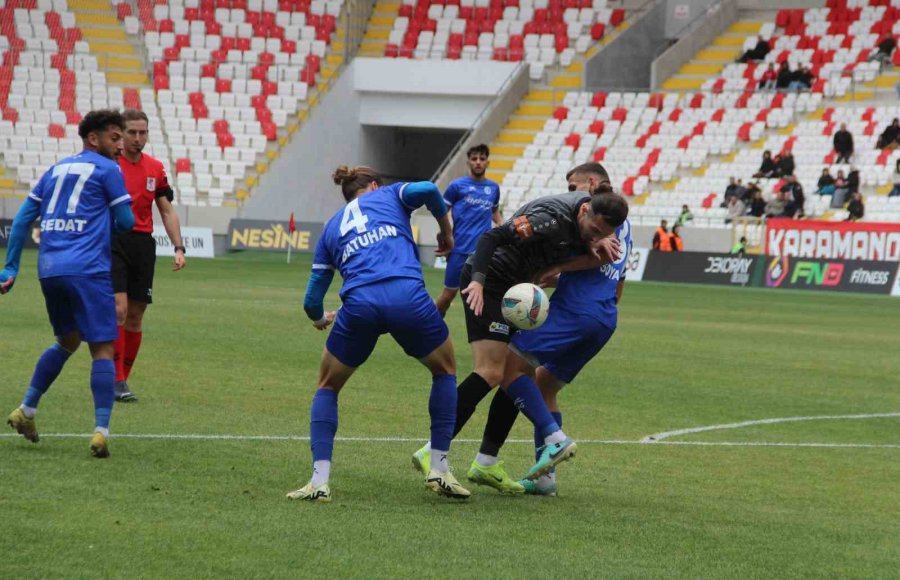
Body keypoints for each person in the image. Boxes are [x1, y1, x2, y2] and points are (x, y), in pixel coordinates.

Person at [411, 167, 627, 494]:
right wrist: (479, 284)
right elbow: (491, 237)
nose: (595, 236)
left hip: (515, 289)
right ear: (585, 209)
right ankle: (433, 452)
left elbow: (585, 244)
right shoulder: (548, 220)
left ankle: (486, 462)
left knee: (515, 372)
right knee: (493, 370)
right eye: (594, 229)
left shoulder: (591, 221)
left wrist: (597, 242)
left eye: (602, 233)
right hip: (489, 281)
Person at [286, 166, 469, 502]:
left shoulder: (331, 227)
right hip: (407, 297)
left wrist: (319, 318)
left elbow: (312, 298)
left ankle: (319, 481)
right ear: (373, 185)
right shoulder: (391, 194)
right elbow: (428, 188)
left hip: (360, 306)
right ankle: (439, 468)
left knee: (328, 386)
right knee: (444, 371)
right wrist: (447, 233)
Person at [1, 109, 135, 458]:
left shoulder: (56, 169)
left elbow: (20, 222)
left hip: (50, 269)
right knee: (103, 348)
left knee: (67, 340)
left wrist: (10, 267)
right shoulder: (109, 170)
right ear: (94, 139)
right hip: (88, 270)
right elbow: (125, 220)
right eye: (114, 137)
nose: (121, 144)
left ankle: (26, 410)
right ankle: (101, 432)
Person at [112, 109, 186, 403]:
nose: (138, 138)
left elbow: (166, 211)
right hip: (113, 240)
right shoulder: (109, 165)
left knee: (136, 315)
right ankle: (116, 380)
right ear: (120, 133)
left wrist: (178, 247)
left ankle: (122, 381)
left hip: (143, 244)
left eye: (143, 133)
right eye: (132, 132)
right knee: (118, 309)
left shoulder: (155, 168)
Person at [433, 144, 501, 317]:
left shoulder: (493, 188)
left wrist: (502, 225)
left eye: (482, 159)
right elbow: (442, 212)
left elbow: (494, 211)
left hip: (483, 252)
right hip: (459, 250)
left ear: (488, 162)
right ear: (469, 162)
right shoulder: (457, 186)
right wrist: (444, 233)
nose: (478, 162)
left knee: (484, 296)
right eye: (474, 159)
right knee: (448, 295)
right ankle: (429, 324)